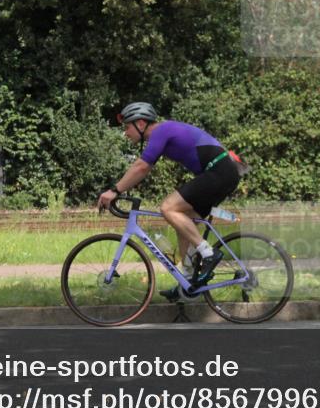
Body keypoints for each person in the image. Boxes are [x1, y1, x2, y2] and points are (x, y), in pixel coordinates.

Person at [96, 102, 241, 302]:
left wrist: (114, 191)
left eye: (127, 127)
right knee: (183, 222)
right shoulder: (161, 134)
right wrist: (120, 189)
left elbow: (141, 167)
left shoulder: (161, 131)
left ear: (140, 123)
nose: (125, 133)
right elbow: (143, 169)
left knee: (168, 208)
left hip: (219, 171)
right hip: (222, 172)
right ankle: (187, 283)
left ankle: (208, 253)